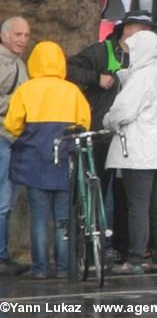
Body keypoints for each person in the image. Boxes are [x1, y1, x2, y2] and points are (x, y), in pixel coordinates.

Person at [66, 9, 157, 261]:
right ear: (124, 29)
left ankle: (122, 247)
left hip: (131, 140)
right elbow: (68, 67)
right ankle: (91, 249)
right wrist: (96, 77)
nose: (139, 34)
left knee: (125, 197)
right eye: (135, 28)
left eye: (145, 30)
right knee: (95, 193)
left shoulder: (147, 60)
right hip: (101, 135)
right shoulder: (100, 51)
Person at [4, 41, 90, 279]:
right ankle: (63, 268)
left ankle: (40, 268)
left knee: (39, 216)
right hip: (65, 160)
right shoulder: (72, 90)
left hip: (33, 162)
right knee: (63, 217)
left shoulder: (26, 90)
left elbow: (11, 125)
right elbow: (84, 122)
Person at [103, 30, 157, 275]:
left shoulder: (142, 77)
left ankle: (135, 258)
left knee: (137, 205)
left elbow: (123, 111)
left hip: (139, 152)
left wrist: (107, 120)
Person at [0, 17, 30, 276]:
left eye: (26, 35)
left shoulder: (20, 64)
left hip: (12, 138)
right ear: (4, 36)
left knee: (6, 201)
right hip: (1, 137)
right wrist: (19, 101)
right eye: (18, 34)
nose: (22, 39)